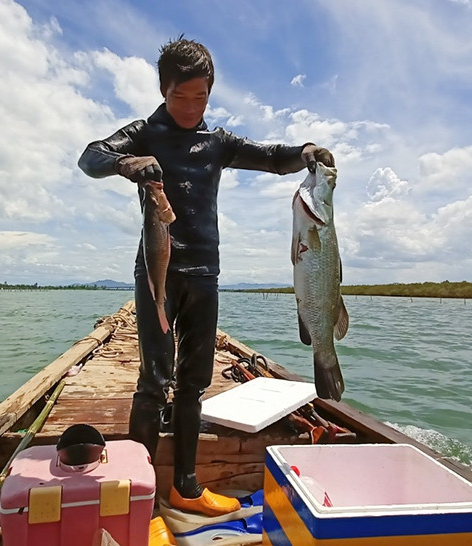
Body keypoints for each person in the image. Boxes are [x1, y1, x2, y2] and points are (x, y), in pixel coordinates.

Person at [78, 37, 334, 517]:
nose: (191, 108)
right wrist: (123, 163)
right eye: (181, 97)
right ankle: (139, 497)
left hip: (205, 274)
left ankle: (187, 488)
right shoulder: (144, 133)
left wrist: (306, 151)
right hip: (158, 273)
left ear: (211, 92)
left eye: (201, 98)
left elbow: (272, 157)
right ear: (162, 89)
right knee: (153, 382)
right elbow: (90, 156)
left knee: (194, 383)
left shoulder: (217, 142)